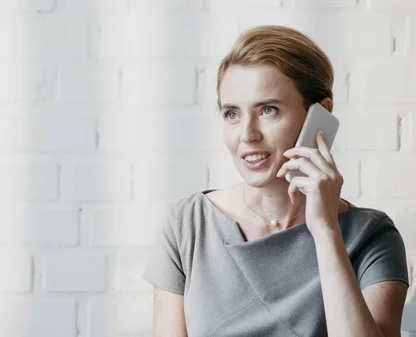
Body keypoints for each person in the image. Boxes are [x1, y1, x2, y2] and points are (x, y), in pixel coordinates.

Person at [142, 25, 410, 337]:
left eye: (268, 110)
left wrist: (325, 231)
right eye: (232, 114)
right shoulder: (187, 225)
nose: (247, 135)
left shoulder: (371, 236)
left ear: (320, 115)